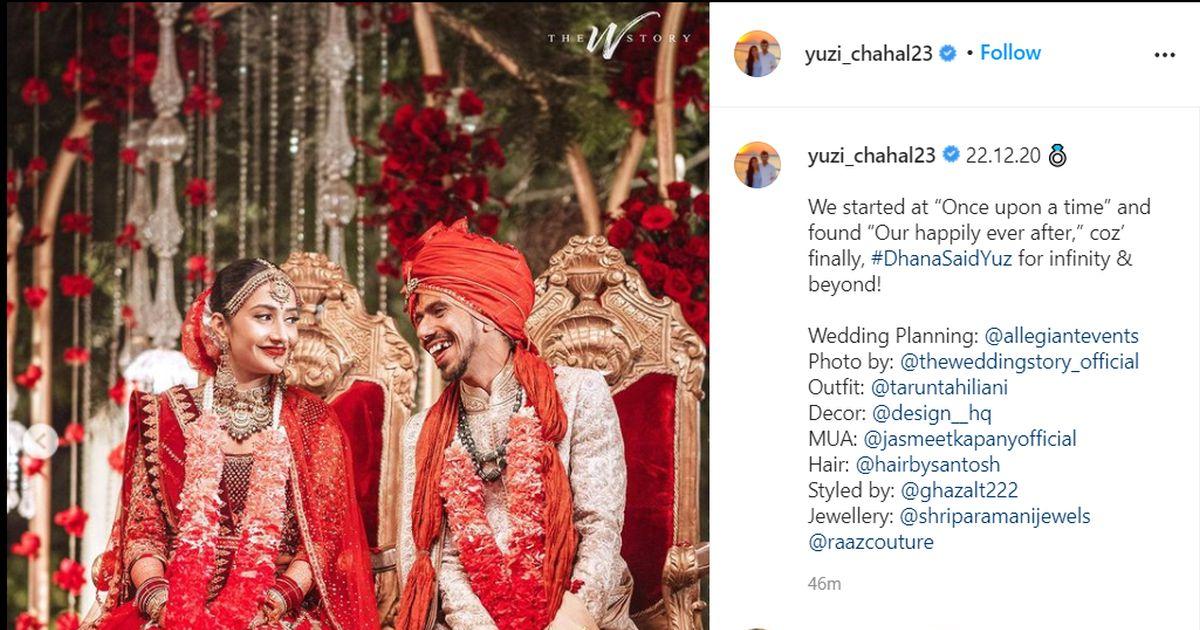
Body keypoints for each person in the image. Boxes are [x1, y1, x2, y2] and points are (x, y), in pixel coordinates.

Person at [82, 259, 378, 630]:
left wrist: (275, 602)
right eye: (265, 317)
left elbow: (322, 540)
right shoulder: (165, 415)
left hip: (275, 609)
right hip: (174, 603)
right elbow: (144, 533)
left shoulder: (313, 421)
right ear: (221, 327)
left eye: (291, 319)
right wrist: (161, 603)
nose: (283, 336)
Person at [394, 219, 634, 630]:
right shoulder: (422, 433)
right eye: (418, 318)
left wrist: (571, 618)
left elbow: (600, 529)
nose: (424, 330)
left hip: (576, 616)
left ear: (486, 312)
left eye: (438, 310)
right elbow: (441, 562)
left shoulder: (577, 395)